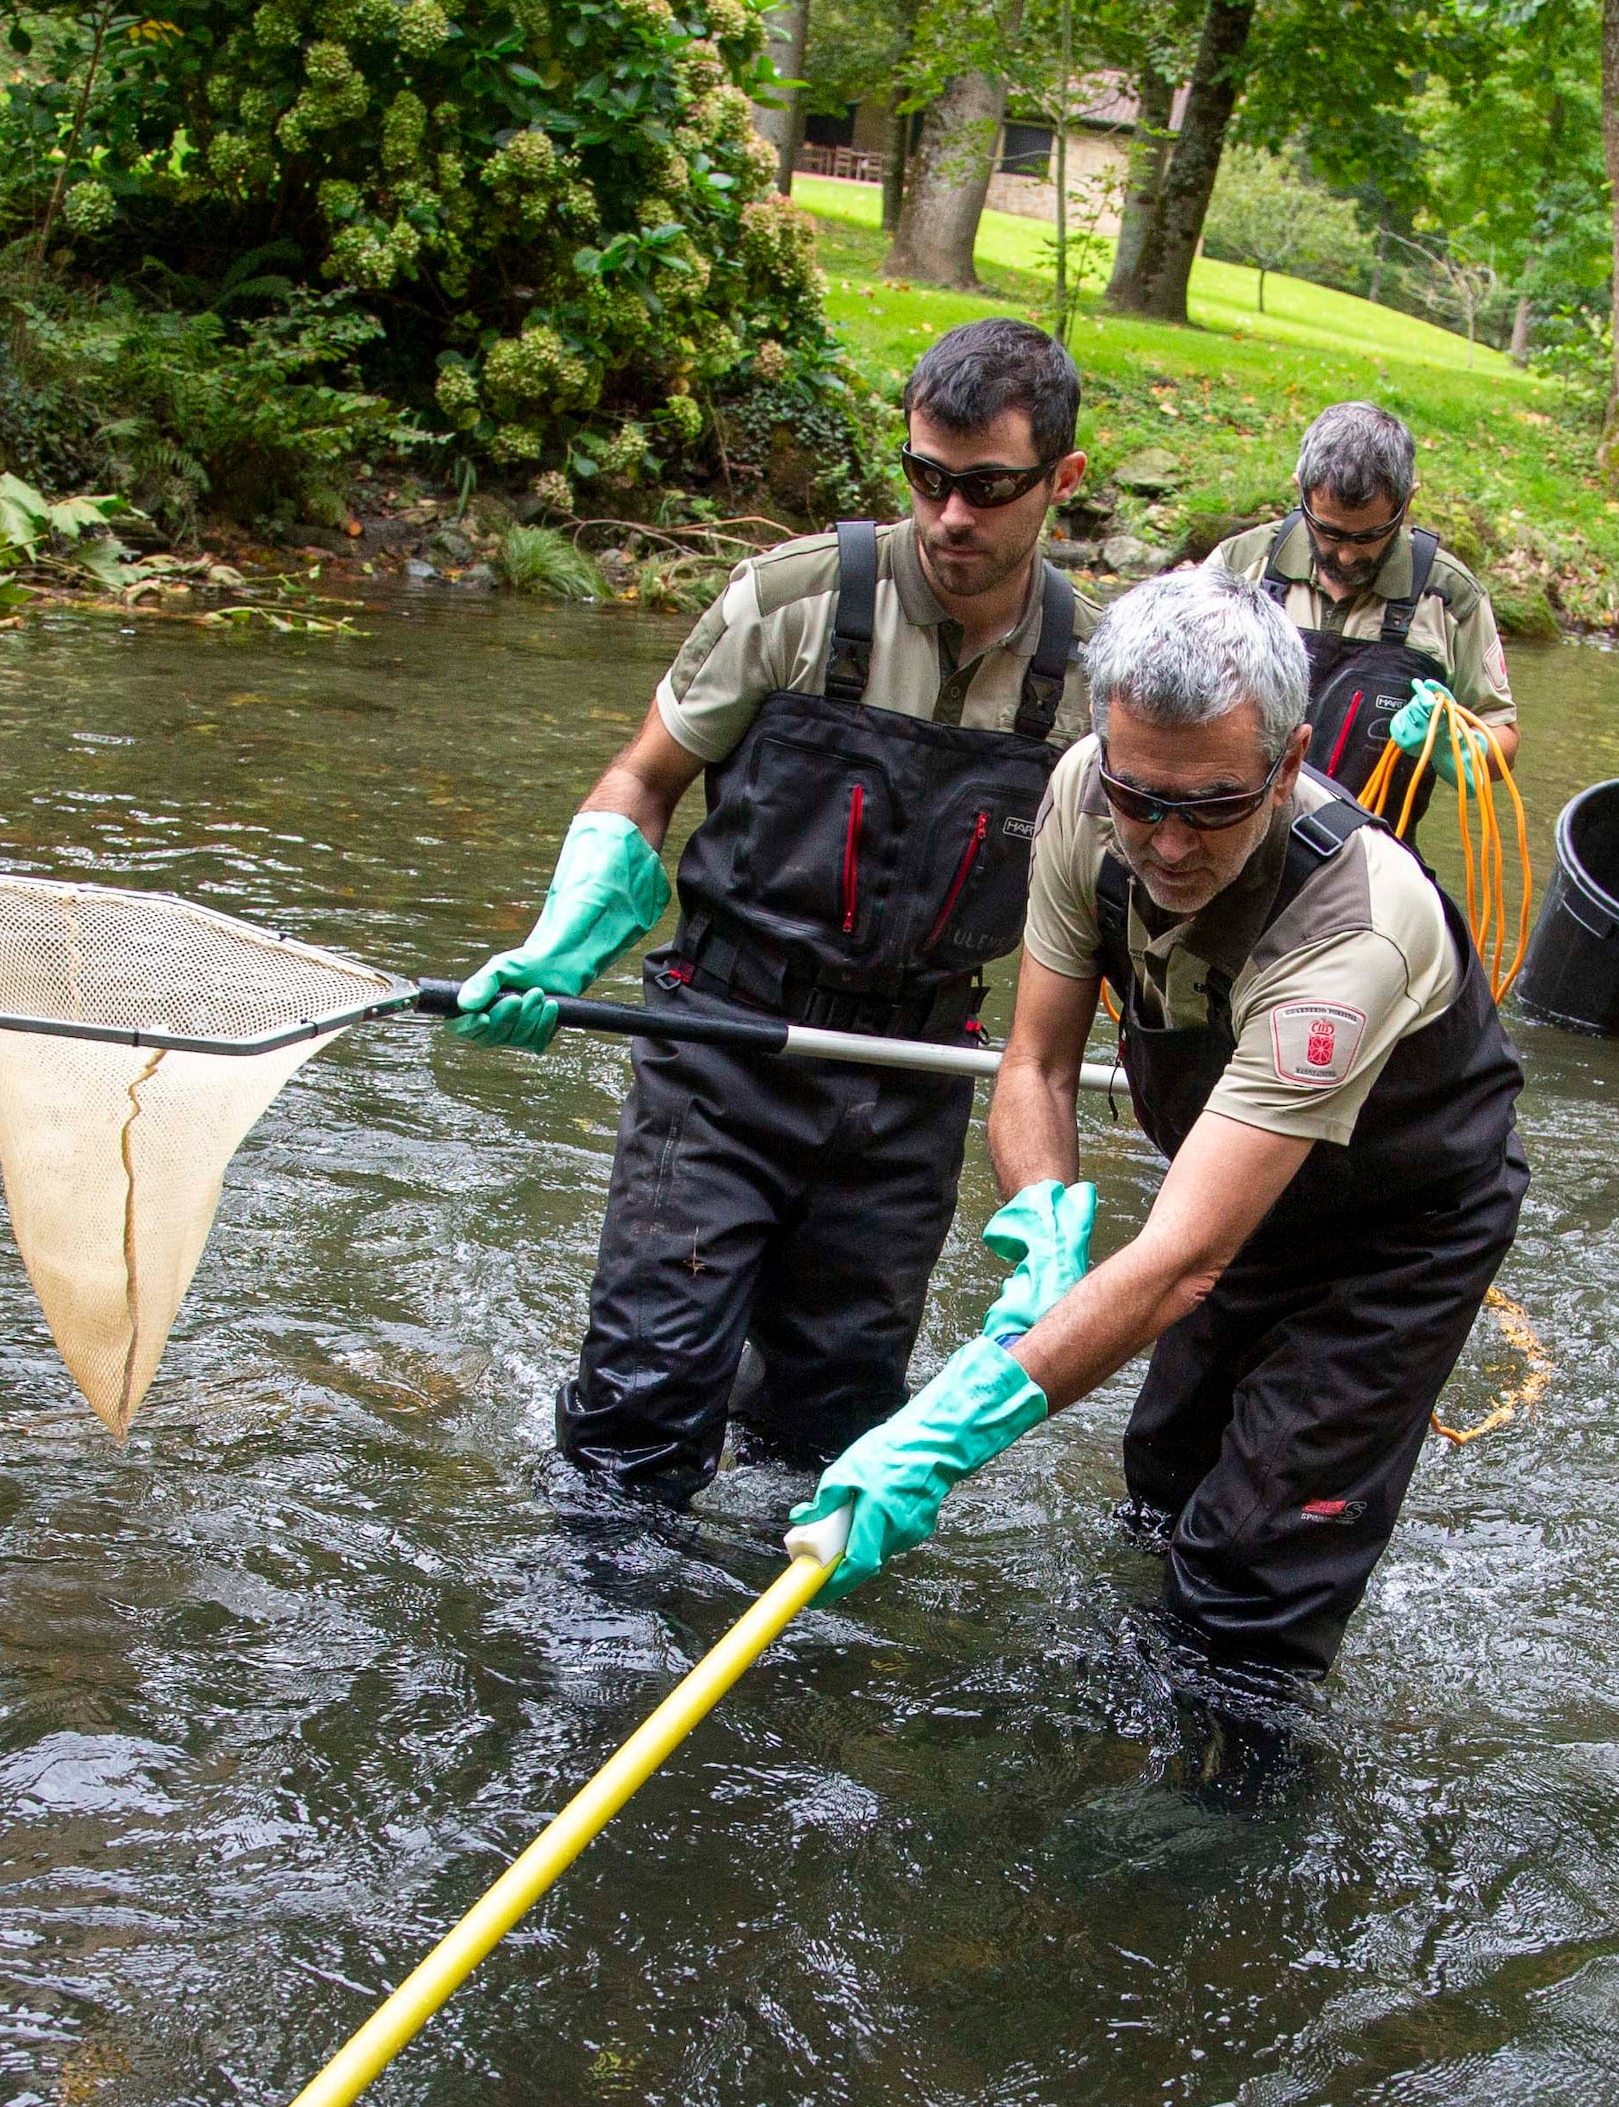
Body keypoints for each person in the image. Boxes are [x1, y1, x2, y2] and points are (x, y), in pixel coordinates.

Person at [782, 565, 1528, 1694]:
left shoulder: (1351, 931)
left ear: (1283, 768)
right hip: (1228, 1179)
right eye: (1143, 801)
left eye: (1214, 806)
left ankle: (1225, 1809)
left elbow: (1183, 1260)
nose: (1168, 846)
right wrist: (1042, 1222)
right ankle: (1132, 1706)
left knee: (1250, 1578)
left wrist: (947, 1434)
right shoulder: (1086, 794)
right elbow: (1033, 1061)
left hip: (1394, 1231)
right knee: (1164, 1482)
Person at [447, 318, 1094, 1503]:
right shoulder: (788, 601)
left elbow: (1128, 905)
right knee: (641, 1408)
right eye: (925, 478)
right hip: (721, 1049)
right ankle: (594, 1646)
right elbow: (643, 784)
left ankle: (789, 1664)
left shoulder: (1094, 683)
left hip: (910, 1073)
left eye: (987, 489)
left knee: (830, 1425)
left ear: (1060, 481)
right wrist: (565, 945)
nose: (948, 517)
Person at [1198, 401, 1517, 835]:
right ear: (1300, 492)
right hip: (1232, 836)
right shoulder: (1238, 566)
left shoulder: (1452, 599)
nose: (1345, 554)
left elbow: (1502, 742)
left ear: (1407, 503)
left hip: (1374, 859)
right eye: (1328, 531)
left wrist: (1452, 746)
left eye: (1367, 535)